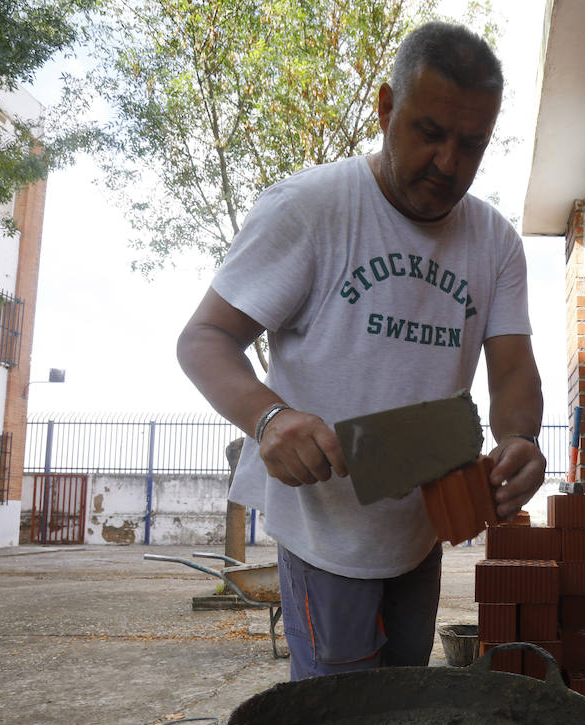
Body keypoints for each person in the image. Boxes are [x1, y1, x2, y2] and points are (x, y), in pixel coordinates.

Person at [177, 21, 546, 681]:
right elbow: (204, 339)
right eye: (429, 133)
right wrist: (269, 419)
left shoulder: (494, 242)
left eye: (471, 144)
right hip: (327, 532)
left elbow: (513, 368)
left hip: (421, 529)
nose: (448, 163)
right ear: (385, 108)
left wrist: (520, 438)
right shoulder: (311, 208)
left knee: (400, 713)